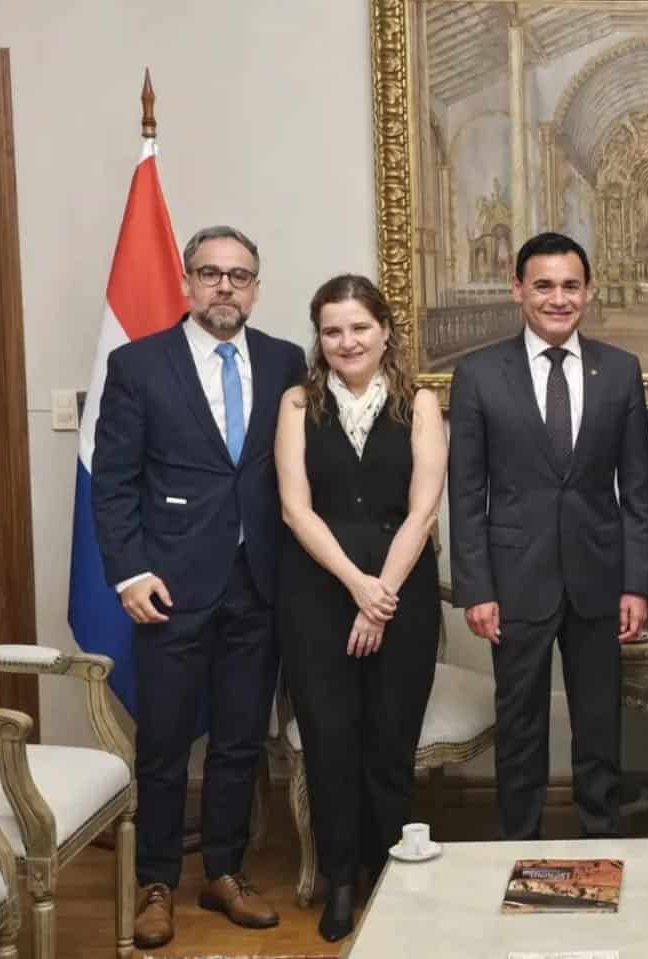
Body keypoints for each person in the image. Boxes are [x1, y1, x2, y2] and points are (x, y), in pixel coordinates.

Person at [91, 225, 305, 948]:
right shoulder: (138, 364)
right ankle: (156, 883)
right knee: (163, 745)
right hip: (169, 585)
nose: (224, 287)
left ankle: (224, 872)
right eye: (210, 273)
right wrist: (129, 572)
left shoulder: (284, 360)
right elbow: (114, 482)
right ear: (187, 282)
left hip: (258, 583)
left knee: (240, 741)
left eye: (239, 275)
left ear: (255, 288)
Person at [448, 232, 648, 840]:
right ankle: (517, 846)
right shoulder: (479, 374)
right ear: (518, 289)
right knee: (520, 725)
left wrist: (638, 583)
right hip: (514, 581)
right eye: (543, 285)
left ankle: (602, 841)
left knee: (599, 725)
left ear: (588, 292)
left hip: (600, 578)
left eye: (570, 286)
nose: (558, 299)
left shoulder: (619, 370)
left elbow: (639, 489)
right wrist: (477, 589)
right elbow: (467, 493)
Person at [274, 274, 446, 941]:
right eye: (332, 331)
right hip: (317, 594)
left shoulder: (420, 402)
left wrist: (379, 600)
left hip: (401, 594)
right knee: (329, 740)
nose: (346, 342)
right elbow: (296, 509)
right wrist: (356, 585)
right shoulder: (297, 402)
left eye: (359, 328)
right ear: (319, 337)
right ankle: (340, 878)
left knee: (389, 740)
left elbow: (423, 510)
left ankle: (390, 872)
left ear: (385, 330)